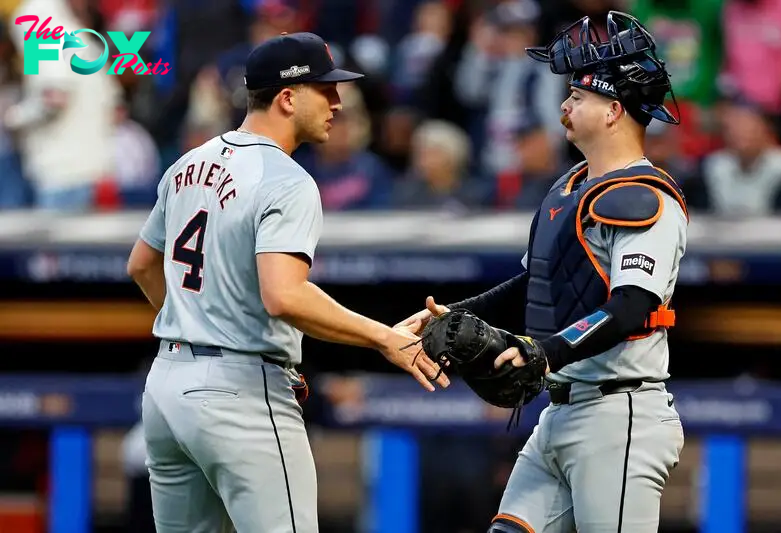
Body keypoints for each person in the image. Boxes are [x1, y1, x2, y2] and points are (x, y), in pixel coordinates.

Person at [126, 31, 449, 533]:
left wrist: (197, 320)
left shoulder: (188, 161)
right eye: (327, 90)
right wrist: (386, 337)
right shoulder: (287, 179)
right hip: (240, 393)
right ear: (288, 97)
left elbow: (142, 266)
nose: (339, 103)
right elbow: (284, 295)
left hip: (166, 386)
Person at [399, 12, 688, 533]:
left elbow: (630, 307)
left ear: (614, 111)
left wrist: (543, 350)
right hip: (558, 411)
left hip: (620, 414)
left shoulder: (645, 197)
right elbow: (532, 286)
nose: (564, 106)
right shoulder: (568, 188)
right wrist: (454, 314)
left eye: (579, 97)